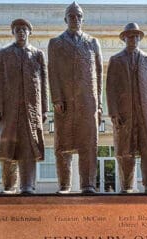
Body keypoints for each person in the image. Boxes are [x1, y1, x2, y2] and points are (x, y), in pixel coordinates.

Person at [48, 2, 103, 194]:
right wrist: (56, 99)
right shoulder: (55, 43)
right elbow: (52, 73)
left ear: (83, 19)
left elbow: (99, 73)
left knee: (89, 144)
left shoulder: (92, 42)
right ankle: (64, 185)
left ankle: (88, 184)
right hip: (65, 102)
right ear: (65, 19)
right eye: (71, 16)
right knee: (63, 145)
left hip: (88, 102)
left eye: (78, 16)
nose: (75, 19)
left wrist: (99, 104)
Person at [0, 18, 49, 194]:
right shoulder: (4, 53)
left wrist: (44, 109)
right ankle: (9, 186)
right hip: (9, 109)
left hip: (31, 111)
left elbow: (44, 83)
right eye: (17, 29)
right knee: (8, 146)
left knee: (28, 148)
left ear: (29, 32)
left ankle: (28, 185)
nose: (21, 32)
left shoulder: (38, 54)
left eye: (24, 29)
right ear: (13, 32)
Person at [106, 23, 147, 193]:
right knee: (125, 151)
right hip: (124, 114)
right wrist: (113, 112)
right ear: (124, 38)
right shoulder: (116, 60)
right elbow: (110, 88)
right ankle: (127, 185)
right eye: (130, 36)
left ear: (140, 38)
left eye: (136, 36)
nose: (133, 39)